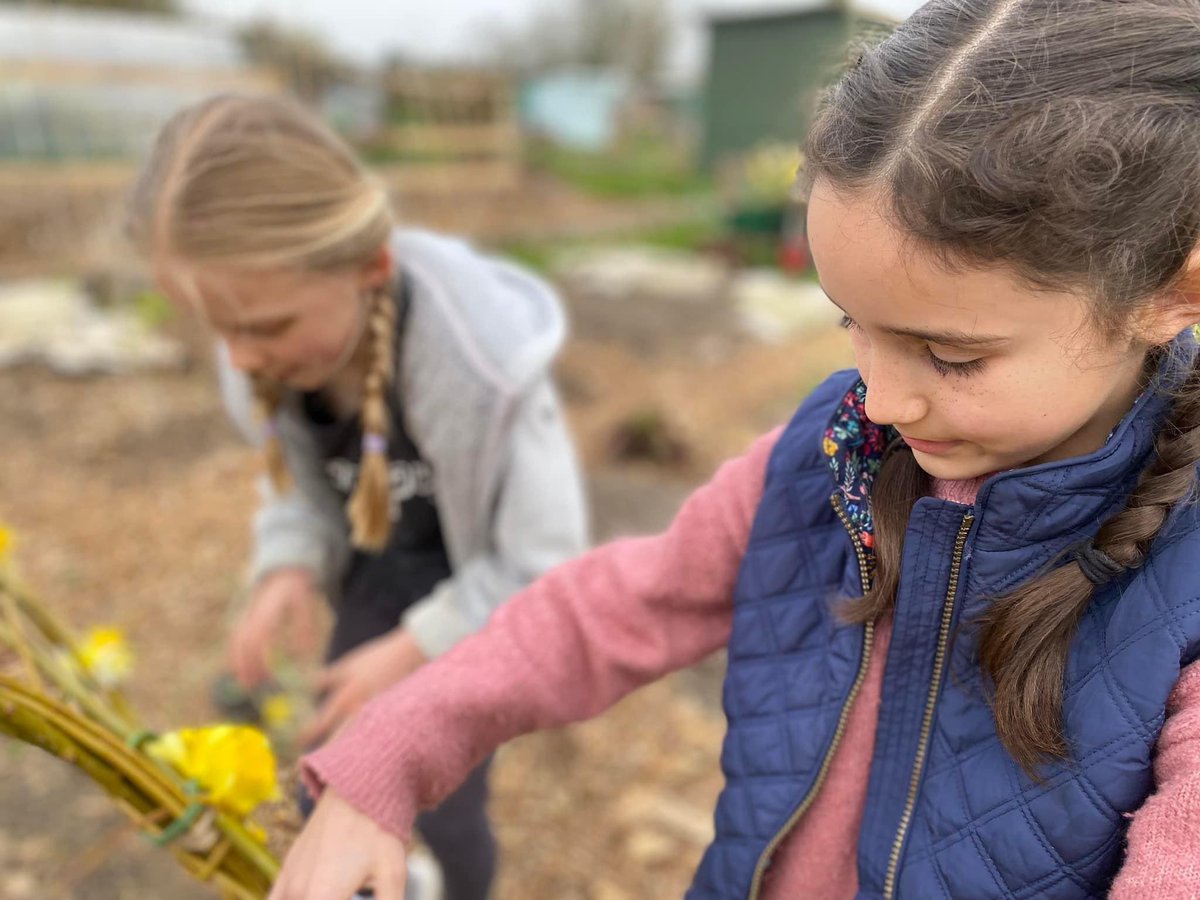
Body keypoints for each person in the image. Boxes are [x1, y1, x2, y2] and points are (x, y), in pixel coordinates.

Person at [272, 0, 1200, 897]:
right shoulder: (826, 454)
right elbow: (610, 609)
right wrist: (389, 752)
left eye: (952, 356)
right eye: (851, 324)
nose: (879, 397)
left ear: (1172, 292)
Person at [125, 93, 589, 900]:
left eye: (265, 326)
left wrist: (413, 650)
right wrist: (289, 567)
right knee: (333, 776)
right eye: (217, 332)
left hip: (483, 606)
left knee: (439, 798)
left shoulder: (482, 367)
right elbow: (301, 493)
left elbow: (543, 566)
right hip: (381, 580)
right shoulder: (263, 357)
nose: (240, 358)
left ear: (369, 268)